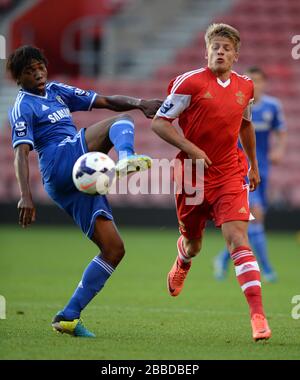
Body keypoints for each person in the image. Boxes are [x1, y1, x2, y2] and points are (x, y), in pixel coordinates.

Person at [7, 45, 161, 337]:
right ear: (19, 79)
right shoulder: (23, 106)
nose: (37, 73)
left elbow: (103, 100)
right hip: (58, 162)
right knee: (121, 123)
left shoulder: (56, 91)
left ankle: (68, 316)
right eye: (29, 71)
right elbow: (21, 153)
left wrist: (140, 102)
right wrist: (25, 195)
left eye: (40, 66)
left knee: (114, 250)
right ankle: (126, 158)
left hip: (74, 178)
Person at [151, 24, 272, 341]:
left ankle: (257, 316)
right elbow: (159, 124)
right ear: (206, 51)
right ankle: (183, 258)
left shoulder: (245, 87)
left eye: (226, 48)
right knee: (194, 244)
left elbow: (246, 125)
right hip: (191, 176)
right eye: (215, 46)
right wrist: (191, 149)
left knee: (237, 238)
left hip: (230, 174)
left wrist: (254, 167)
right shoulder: (189, 83)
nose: (220, 51)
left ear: (235, 55)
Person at [214, 66, 286, 282]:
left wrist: (279, 149)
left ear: (264, 83)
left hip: (262, 169)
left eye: (258, 80)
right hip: (239, 169)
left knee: (247, 223)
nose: (254, 84)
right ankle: (267, 269)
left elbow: (281, 131)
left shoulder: (272, 106)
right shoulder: (237, 103)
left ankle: (222, 259)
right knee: (255, 217)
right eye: (251, 80)